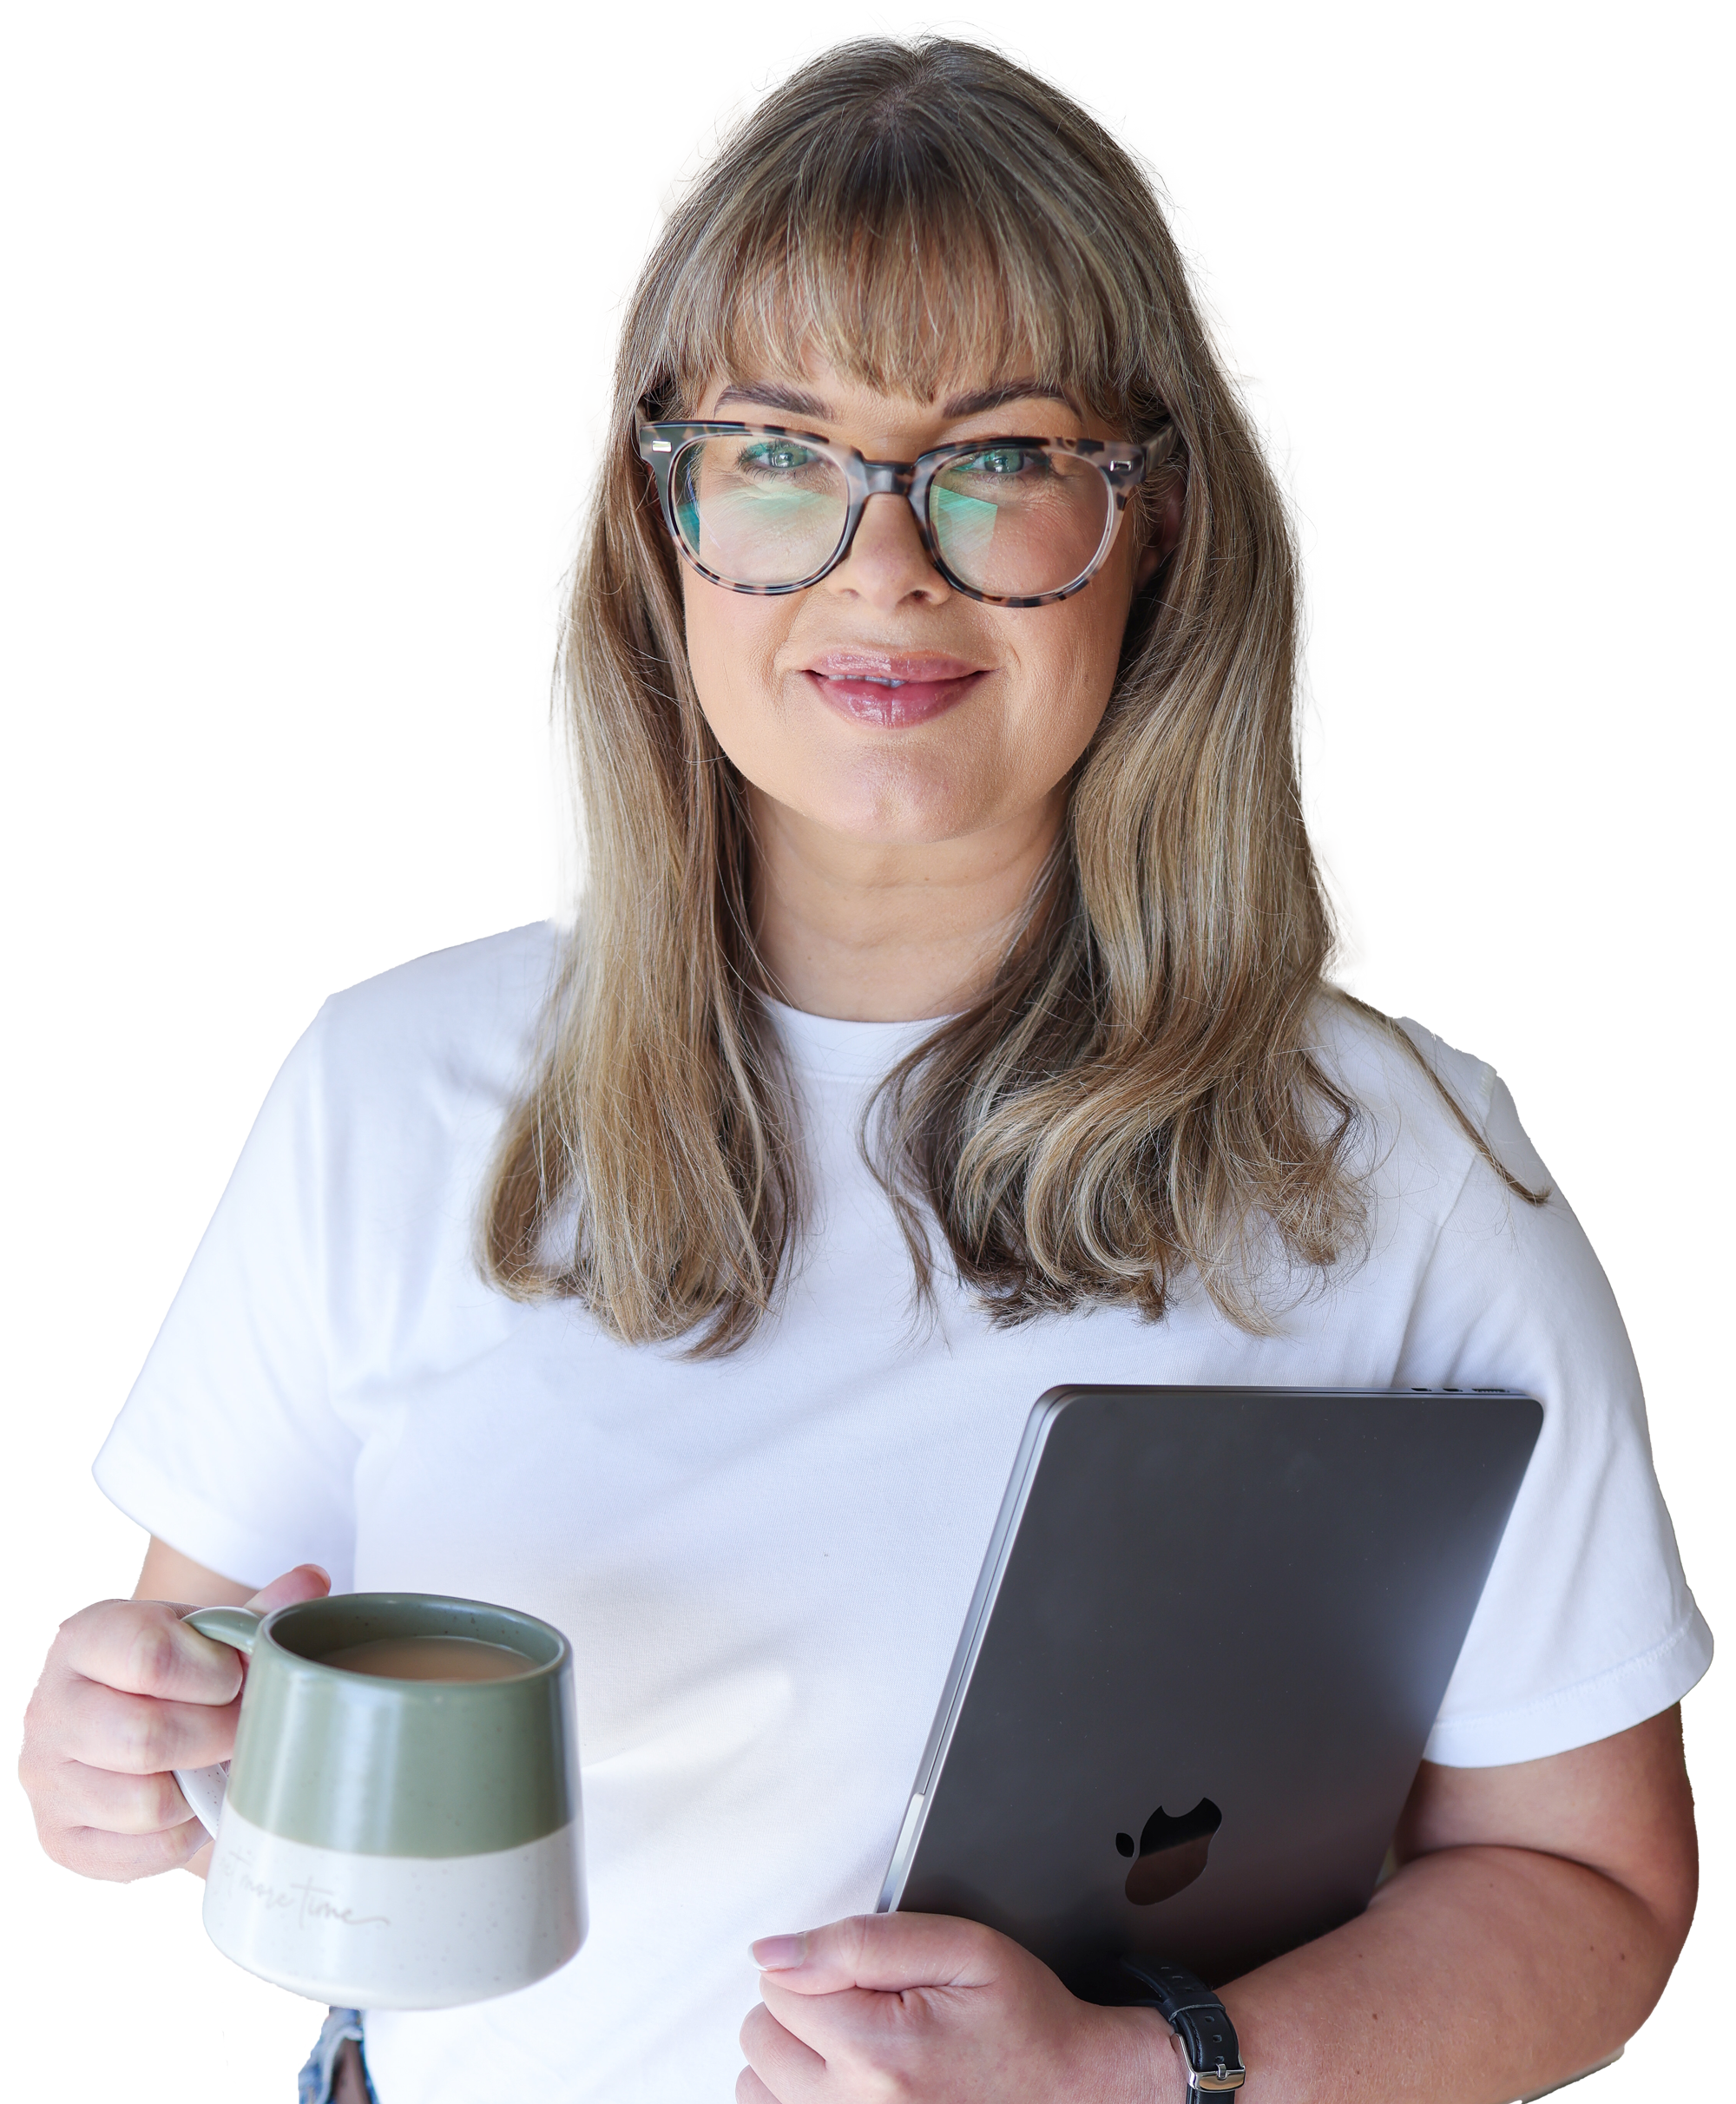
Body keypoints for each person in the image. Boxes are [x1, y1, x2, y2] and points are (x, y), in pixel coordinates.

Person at [19, 30, 1708, 2104]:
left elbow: (1587, 1891)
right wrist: (120, 1763)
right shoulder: (384, 1096)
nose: (881, 565)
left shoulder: (1389, 1174)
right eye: (777, 457)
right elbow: (205, 1722)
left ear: (1149, 520)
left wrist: (1131, 2074)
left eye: (995, 459)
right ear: (663, 532)